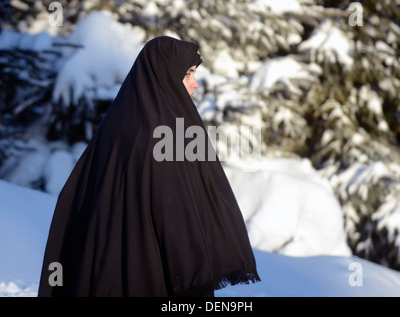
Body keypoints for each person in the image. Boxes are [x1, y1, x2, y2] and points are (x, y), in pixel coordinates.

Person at [38, 36, 260, 297]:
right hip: (151, 274)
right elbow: (175, 215)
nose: (195, 84)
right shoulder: (163, 133)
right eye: (187, 73)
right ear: (164, 73)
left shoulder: (120, 120)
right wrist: (194, 276)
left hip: (108, 271)